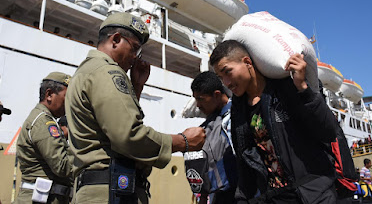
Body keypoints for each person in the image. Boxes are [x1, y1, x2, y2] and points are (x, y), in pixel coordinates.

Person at [65, 12, 206, 204]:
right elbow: (128, 135)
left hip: (100, 189)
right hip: (112, 192)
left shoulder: (87, 71)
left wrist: (136, 88)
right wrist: (183, 142)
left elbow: (109, 126)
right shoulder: (108, 71)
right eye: (134, 49)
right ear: (115, 40)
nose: (135, 58)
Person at [209, 40, 337, 204]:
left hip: (314, 195)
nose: (226, 83)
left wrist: (304, 89)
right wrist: (242, 198)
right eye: (221, 77)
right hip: (275, 198)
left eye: (228, 72)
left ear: (247, 62)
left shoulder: (287, 88)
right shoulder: (238, 109)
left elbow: (328, 131)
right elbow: (244, 160)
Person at [15, 72, 73, 204]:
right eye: (67, 98)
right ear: (49, 94)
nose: (69, 104)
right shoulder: (43, 122)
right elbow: (62, 166)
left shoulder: (44, 119)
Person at [189, 71, 237, 204]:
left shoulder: (236, 115)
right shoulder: (208, 125)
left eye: (200, 98)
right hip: (219, 195)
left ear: (216, 95)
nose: (198, 105)